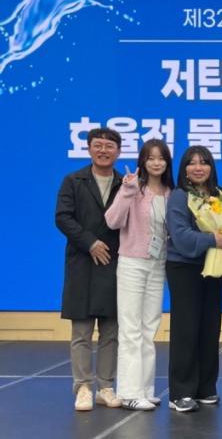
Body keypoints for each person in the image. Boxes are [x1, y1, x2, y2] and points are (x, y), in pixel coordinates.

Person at [55, 127, 123, 411]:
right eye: (98, 145)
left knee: (111, 331)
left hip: (114, 263)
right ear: (89, 148)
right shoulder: (74, 180)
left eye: (109, 146)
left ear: (118, 151)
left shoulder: (125, 183)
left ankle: (105, 386)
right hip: (82, 263)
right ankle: (82, 386)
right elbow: (62, 218)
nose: (103, 150)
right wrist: (90, 242)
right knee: (82, 331)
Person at [105, 139, 174, 411]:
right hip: (133, 262)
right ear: (142, 161)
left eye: (161, 158)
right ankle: (129, 392)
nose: (156, 163)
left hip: (158, 265)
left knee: (149, 328)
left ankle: (145, 389)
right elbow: (112, 221)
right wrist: (127, 191)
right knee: (131, 328)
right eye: (150, 158)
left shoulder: (170, 192)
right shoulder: (133, 187)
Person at [165, 145, 222, 412]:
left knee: (210, 327)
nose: (198, 167)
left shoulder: (220, 196)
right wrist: (212, 239)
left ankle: (205, 387)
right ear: (184, 170)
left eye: (204, 162)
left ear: (211, 167)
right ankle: (180, 392)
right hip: (184, 268)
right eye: (192, 163)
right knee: (186, 329)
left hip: (212, 266)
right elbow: (180, 236)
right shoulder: (179, 197)